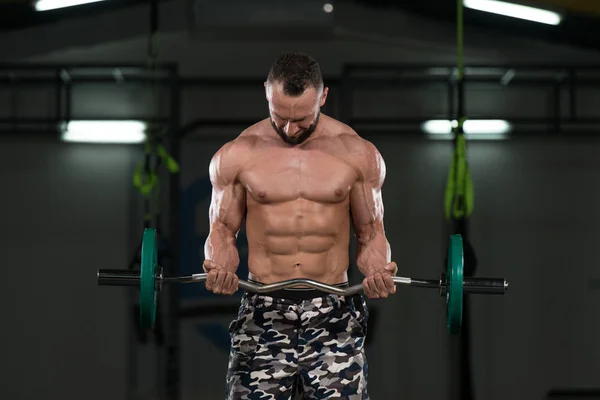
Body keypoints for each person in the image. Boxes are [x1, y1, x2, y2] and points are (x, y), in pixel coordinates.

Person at [203, 51, 397, 400]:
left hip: (333, 311)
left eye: (303, 119)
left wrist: (378, 270)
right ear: (266, 92)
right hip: (264, 309)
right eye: (279, 117)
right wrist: (221, 266)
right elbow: (221, 231)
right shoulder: (237, 155)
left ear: (323, 97)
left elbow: (371, 235)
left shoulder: (357, 154)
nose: (290, 129)